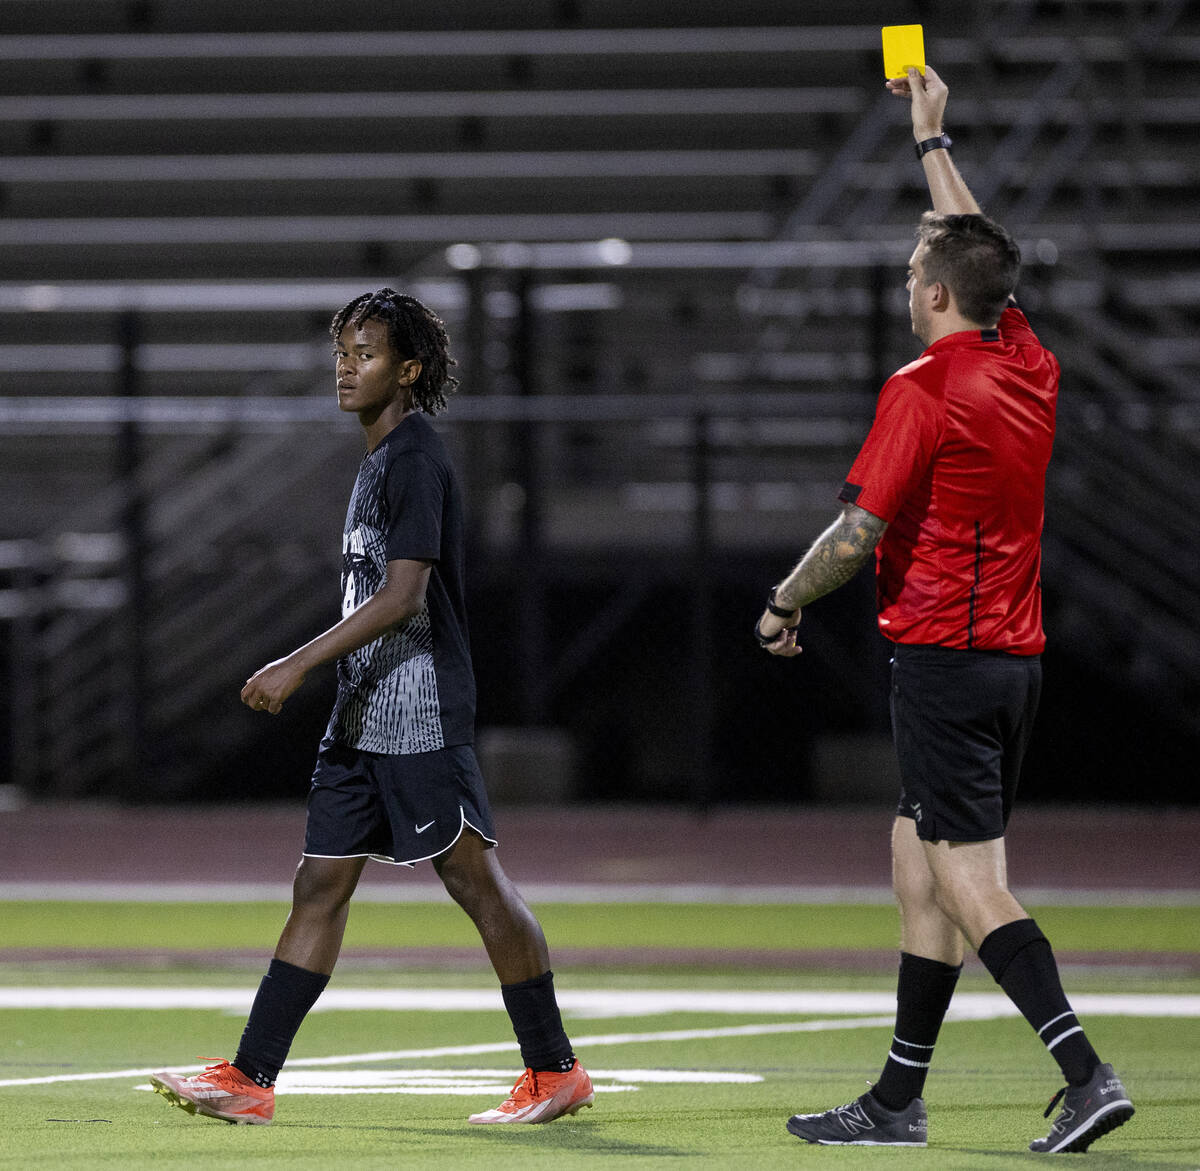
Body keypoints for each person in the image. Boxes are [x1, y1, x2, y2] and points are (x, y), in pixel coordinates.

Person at [755, 67, 1133, 1155]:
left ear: (932, 295)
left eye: (917, 264)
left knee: (970, 886)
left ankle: (1086, 1071)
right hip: (1011, 661)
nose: (911, 266)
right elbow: (981, 251)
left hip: (944, 661)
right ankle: (894, 1101)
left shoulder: (922, 389)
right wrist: (932, 139)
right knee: (918, 867)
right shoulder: (1029, 363)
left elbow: (856, 536)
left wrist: (781, 605)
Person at [150, 289, 593, 1127]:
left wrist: (295, 661)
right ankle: (250, 1076)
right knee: (318, 881)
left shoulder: (416, 456)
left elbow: (402, 597)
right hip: (361, 715)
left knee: (477, 883)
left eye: (366, 354)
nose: (346, 369)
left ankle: (553, 1068)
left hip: (418, 711)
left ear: (409, 369)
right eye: (342, 354)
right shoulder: (378, 458)